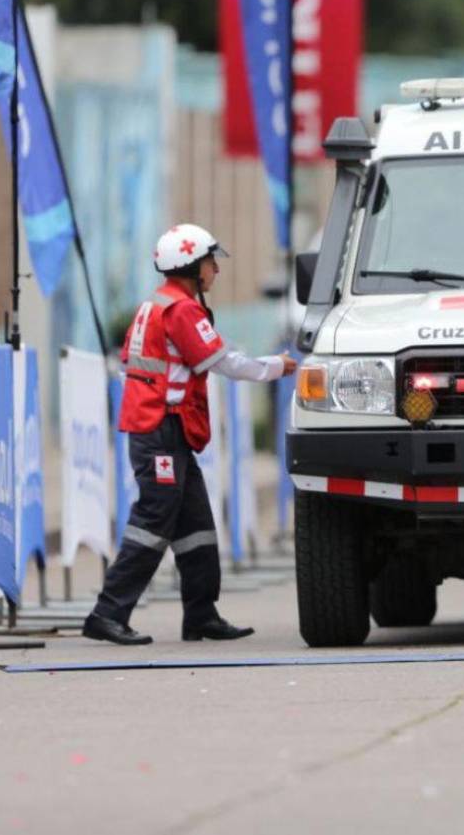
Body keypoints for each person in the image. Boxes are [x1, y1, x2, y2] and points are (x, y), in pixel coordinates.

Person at [83, 224, 298, 645]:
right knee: (152, 521)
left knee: (196, 523)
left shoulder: (157, 304)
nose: (215, 269)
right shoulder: (181, 310)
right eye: (209, 262)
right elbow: (225, 363)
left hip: (168, 430)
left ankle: (201, 614)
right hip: (160, 430)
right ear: (190, 267)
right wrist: (275, 366)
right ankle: (107, 613)